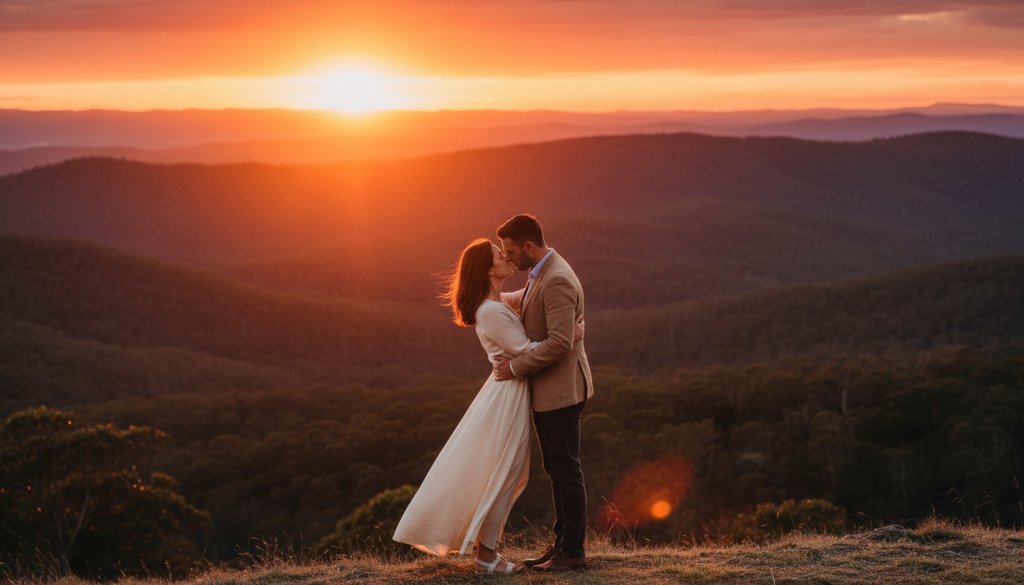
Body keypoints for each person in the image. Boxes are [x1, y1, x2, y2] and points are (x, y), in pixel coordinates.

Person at [392, 238, 584, 574]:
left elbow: (527, 297)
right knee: (504, 473)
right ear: (487, 269)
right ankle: (486, 556)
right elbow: (527, 350)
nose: (506, 256)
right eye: (499, 254)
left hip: (511, 392)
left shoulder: (496, 302)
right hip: (507, 397)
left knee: (507, 473)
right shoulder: (491, 311)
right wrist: (572, 335)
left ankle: (488, 552)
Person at [493, 213, 594, 571]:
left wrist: (515, 367)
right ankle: (561, 544)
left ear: (529, 246)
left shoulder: (557, 279)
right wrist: (486, 294)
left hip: (561, 391)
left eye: (510, 252)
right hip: (551, 391)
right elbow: (524, 300)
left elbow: (560, 342)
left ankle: (573, 552)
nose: (508, 259)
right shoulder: (541, 272)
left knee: (566, 470)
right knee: (557, 468)